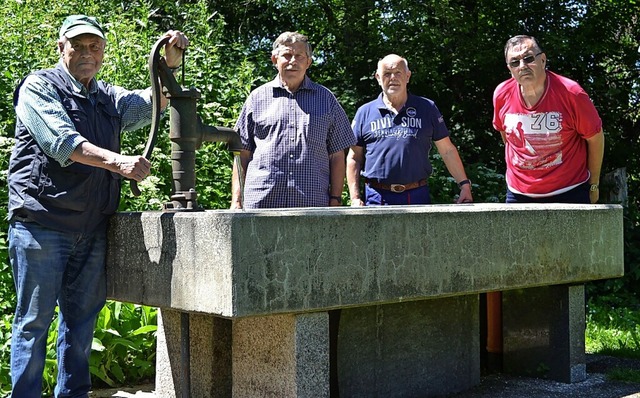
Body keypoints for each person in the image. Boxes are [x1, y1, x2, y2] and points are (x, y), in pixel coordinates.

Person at [7, 15, 188, 397]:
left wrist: (168, 63)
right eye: (78, 46)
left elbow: (150, 105)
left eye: (95, 46)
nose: (87, 53)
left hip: (90, 229)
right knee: (33, 325)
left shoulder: (107, 97)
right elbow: (62, 143)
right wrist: (119, 162)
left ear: (103, 51)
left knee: (81, 323)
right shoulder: (40, 86)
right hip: (42, 224)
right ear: (61, 48)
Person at [230, 31, 356, 209]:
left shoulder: (326, 99)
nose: (292, 61)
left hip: (312, 204)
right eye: (287, 55)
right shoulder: (256, 98)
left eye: (299, 56)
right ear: (275, 60)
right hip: (262, 202)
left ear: (308, 62)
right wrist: (236, 200)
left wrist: (336, 199)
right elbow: (241, 153)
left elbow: (337, 155)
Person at [347, 54, 473, 206]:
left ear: (407, 76)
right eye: (387, 73)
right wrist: (354, 198)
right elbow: (354, 157)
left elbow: (447, 151)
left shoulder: (427, 108)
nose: (393, 77)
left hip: (417, 195)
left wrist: (464, 185)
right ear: (378, 78)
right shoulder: (364, 112)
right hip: (377, 197)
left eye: (398, 73)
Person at [493, 35, 605, 204]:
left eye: (528, 58)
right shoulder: (501, 94)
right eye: (515, 62)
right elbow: (506, 135)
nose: (522, 66)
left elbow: (595, 138)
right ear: (509, 68)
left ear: (543, 60)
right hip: (518, 194)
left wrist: (594, 185)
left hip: (569, 191)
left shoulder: (572, 93)